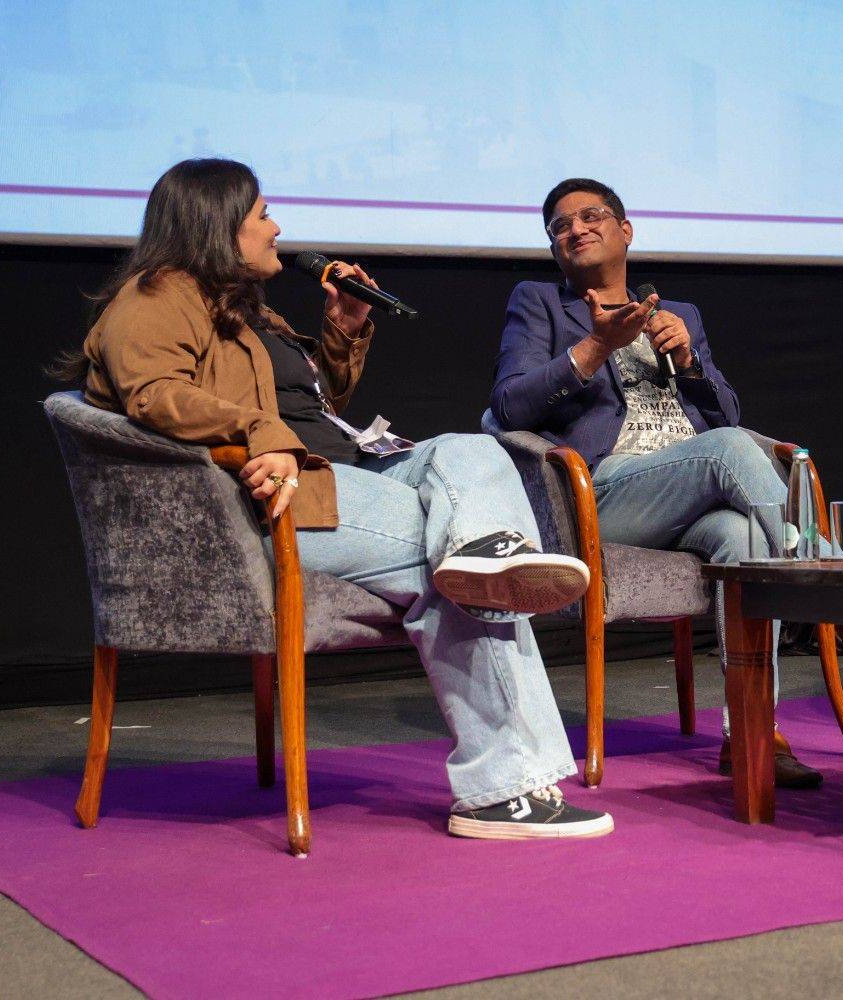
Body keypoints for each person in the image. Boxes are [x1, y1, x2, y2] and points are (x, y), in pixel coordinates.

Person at [61, 158, 613, 838]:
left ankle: (489, 561)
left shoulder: (240, 308)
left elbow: (306, 406)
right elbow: (155, 395)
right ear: (217, 224)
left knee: (478, 454)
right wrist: (258, 432)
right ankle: (504, 789)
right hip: (284, 499)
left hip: (355, 469)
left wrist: (343, 329)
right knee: (457, 563)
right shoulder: (155, 297)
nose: (276, 228)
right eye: (262, 214)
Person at [489, 177, 822, 788]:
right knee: (729, 450)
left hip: (689, 494)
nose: (575, 229)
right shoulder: (539, 303)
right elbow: (508, 406)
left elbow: (727, 414)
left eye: (591, 216)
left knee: (744, 541)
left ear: (625, 231)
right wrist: (596, 347)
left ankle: (751, 732)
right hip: (605, 493)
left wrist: (689, 363)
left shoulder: (679, 313)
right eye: (560, 226)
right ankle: (834, 574)